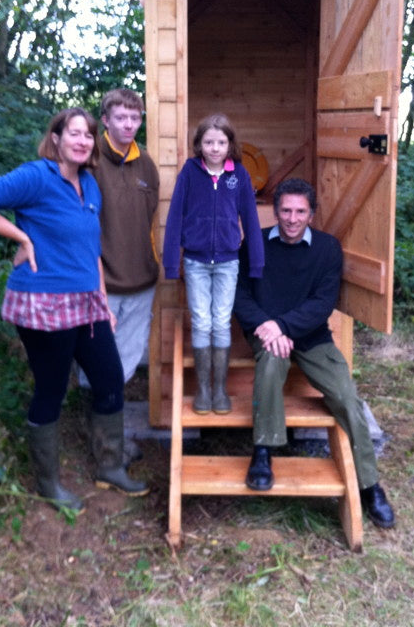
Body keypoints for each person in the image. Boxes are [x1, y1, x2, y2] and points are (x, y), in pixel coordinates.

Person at [0, 107, 148, 511]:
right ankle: (49, 484)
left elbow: (90, 249)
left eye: (88, 135)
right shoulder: (35, 177)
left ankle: (110, 467)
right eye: (73, 133)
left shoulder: (90, 185)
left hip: (87, 302)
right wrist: (22, 237)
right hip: (44, 303)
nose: (82, 141)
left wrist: (101, 301)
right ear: (56, 138)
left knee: (110, 378)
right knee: (52, 388)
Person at [233, 177, 395, 528]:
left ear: (312, 214)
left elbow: (322, 303)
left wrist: (285, 327)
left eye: (300, 212)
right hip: (266, 333)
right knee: (270, 367)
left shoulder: (327, 249)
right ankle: (263, 452)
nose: (292, 218)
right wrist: (267, 326)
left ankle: (369, 485)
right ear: (276, 212)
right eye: (286, 211)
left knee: (346, 396)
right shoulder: (255, 244)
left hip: (310, 335)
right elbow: (240, 296)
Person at [76, 89, 159, 462]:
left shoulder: (147, 166)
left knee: (123, 365)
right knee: (97, 366)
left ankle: (110, 438)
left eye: (135, 118)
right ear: (105, 120)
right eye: (121, 118)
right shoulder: (89, 163)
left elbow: (149, 219)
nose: (129, 124)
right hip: (100, 287)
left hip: (142, 284)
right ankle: (101, 445)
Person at [163, 114, 264, 415]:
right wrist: (172, 263)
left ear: (231, 144)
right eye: (209, 142)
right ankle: (202, 391)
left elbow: (251, 218)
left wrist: (256, 263)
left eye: (221, 142)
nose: (215, 148)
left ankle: (220, 390)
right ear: (200, 144)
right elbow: (175, 217)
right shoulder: (190, 172)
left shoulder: (240, 175)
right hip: (195, 261)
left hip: (227, 263)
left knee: (220, 322)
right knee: (201, 321)